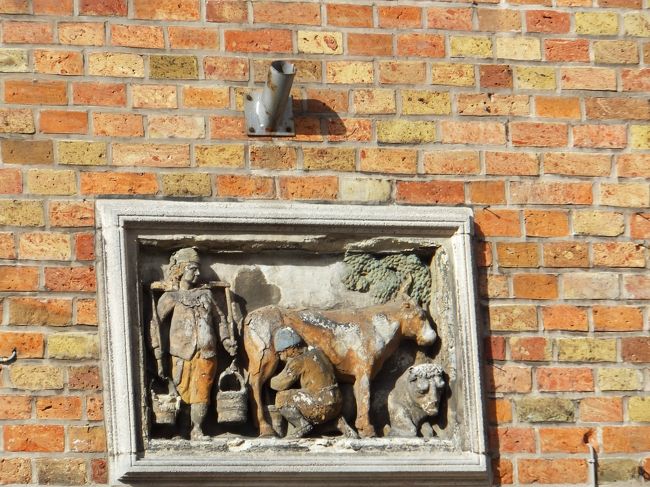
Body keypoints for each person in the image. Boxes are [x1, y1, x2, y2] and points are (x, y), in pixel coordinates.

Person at [150, 247, 237, 440]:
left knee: (202, 391)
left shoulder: (206, 295)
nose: (198, 273)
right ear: (180, 270)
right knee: (182, 389)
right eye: (192, 268)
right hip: (181, 353)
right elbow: (154, 324)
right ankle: (182, 429)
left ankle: (197, 428)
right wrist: (157, 352)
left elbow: (220, 319)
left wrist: (226, 340)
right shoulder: (171, 297)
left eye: (198, 269)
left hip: (206, 351)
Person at [270, 327, 342, 439]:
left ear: (291, 349)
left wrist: (269, 379)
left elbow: (280, 384)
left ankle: (302, 425)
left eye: (281, 353)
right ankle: (338, 423)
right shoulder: (318, 352)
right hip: (337, 403)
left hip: (320, 405)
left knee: (281, 398)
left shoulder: (298, 360)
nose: (282, 357)